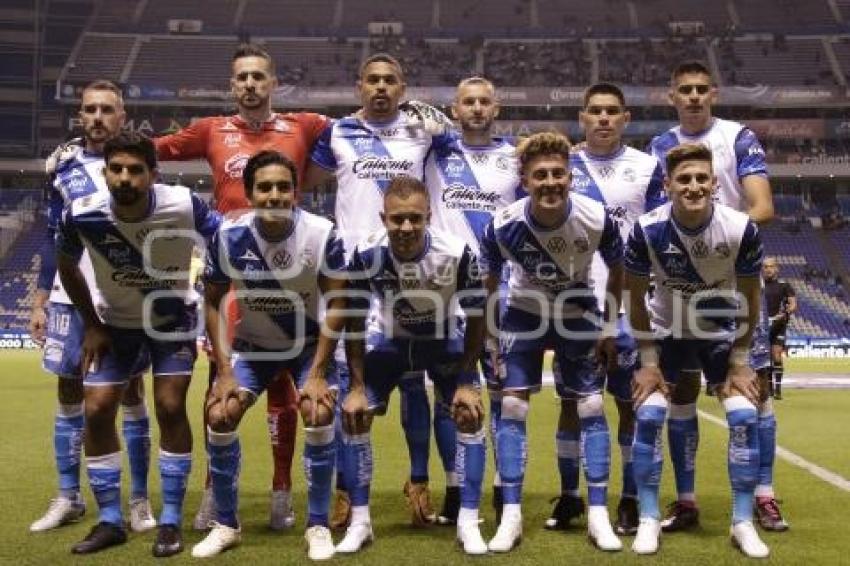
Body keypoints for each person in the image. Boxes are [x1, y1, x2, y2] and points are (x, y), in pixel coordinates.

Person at [154, 43, 330, 530]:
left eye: (258, 76)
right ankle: (214, 491)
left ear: (273, 83)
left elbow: (360, 141)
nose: (250, 84)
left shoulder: (305, 125)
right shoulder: (211, 130)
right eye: (241, 78)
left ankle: (280, 491)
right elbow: (148, 152)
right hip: (233, 276)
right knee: (223, 384)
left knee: (286, 392)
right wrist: (87, 151)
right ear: (232, 86)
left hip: (292, 269)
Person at [307, 53, 455, 529]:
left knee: (414, 383)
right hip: (351, 272)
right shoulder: (336, 133)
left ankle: (418, 485)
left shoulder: (421, 132)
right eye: (372, 80)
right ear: (359, 86)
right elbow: (305, 180)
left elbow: (462, 156)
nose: (381, 88)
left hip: (406, 268)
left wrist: (446, 126)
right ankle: (346, 494)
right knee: (349, 385)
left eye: (390, 81)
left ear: (403, 86)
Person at [56, 132, 220, 556]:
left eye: (135, 170)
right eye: (116, 169)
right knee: (95, 409)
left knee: (169, 406)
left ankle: (169, 520)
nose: (124, 178)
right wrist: (91, 322)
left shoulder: (183, 203)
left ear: (152, 174)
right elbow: (65, 263)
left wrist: (209, 289)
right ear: (105, 172)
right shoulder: (81, 213)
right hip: (115, 325)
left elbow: (222, 240)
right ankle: (110, 520)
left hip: (170, 322)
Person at [647, 60, 785, 533]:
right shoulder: (659, 146)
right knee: (682, 389)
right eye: (684, 89)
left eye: (702, 89)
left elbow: (762, 207)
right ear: (672, 96)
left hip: (733, 278)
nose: (693, 97)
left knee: (754, 389)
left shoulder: (738, 136)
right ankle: (686, 502)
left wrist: (711, 228)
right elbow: (655, 214)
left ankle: (765, 495)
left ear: (714, 93)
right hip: (683, 286)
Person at [191, 151, 347, 560]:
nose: (275, 194)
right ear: (249, 193)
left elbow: (338, 303)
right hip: (252, 349)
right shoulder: (228, 236)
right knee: (220, 414)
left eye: (283, 186)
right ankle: (227, 524)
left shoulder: (321, 232)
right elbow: (211, 303)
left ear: (294, 191)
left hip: (307, 347)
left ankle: (317, 525)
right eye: (265, 187)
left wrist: (317, 373)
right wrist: (224, 371)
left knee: (317, 410)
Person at [323, 176, 488, 555]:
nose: (407, 228)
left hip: (443, 340)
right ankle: (361, 522)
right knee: (354, 414)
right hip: (392, 342)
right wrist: (358, 386)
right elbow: (353, 321)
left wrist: (466, 378)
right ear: (383, 218)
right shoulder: (366, 254)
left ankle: (467, 522)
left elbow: (479, 319)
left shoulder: (457, 252)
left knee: (468, 412)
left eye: (415, 218)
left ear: (429, 215)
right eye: (398, 219)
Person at [480, 132, 625, 553]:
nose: (550, 182)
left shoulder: (596, 217)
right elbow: (489, 283)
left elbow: (618, 269)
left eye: (558, 173)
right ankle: (510, 515)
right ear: (524, 180)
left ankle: (597, 514)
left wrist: (610, 327)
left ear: (570, 177)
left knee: (592, 405)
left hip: (577, 311)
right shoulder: (504, 224)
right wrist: (491, 337)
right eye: (539, 174)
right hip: (524, 312)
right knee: (511, 405)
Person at [625, 143, 769, 557]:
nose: (693, 186)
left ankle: (742, 523)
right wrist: (648, 362)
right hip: (666, 330)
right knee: (649, 414)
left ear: (713, 184)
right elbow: (635, 301)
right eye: (684, 179)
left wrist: (740, 363)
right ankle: (650, 517)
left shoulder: (741, 228)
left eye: (701, 178)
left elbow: (750, 298)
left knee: (744, 415)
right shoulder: (646, 229)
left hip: (720, 330)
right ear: (668, 185)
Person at [29, 80, 155, 534]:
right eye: (90, 109)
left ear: (123, 116)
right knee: (68, 392)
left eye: (107, 109)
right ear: (79, 115)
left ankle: (139, 500)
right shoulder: (62, 165)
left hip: (123, 296)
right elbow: (51, 234)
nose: (98, 116)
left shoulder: (136, 162)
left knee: (133, 394)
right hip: (69, 297)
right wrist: (41, 299)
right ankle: (68, 495)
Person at [545, 83, 666, 536]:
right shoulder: (563, 168)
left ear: (626, 118)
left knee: (629, 405)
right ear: (582, 117)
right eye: (594, 111)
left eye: (612, 112)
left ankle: (631, 499)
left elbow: (657, 233)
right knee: (572, 404)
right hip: (573, 306)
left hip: (630, 310)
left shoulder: (647, 168)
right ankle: (571, 496)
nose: (603, 119)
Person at [423, 76, 523, 524]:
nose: (478, 109)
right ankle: (455, 486)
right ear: (455, 109)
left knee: (504, 399)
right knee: (447, 399)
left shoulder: (515, 159)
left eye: (485, 102)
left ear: (496, 108)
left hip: (501, 297)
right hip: (446, 297)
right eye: (469, 102)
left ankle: (505, 490)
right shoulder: (434, 154)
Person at [763, 257, 796, 400]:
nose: (768, 269)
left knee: (776, 355)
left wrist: (785, 313)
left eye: (771, 266)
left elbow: (793, 304)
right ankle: (769, 388)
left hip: (779, 325)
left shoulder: (784, 285)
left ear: (777, 268)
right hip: (762, 326)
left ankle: (778, 389)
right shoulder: (759, 285)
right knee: (766, 358)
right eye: (765, 266)